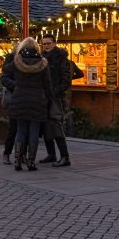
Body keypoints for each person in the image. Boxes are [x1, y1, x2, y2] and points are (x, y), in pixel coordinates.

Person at [5, 39, 52, 171]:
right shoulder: (43, 63)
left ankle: (17, 161)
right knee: (34, 132)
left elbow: (5, 70)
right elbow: (47, 85)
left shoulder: (17, 61)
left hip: (19, 99)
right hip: (37, 100)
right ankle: (31, 161)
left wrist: (12, 54)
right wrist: (49, 100)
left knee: (20, 130)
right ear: (37, 48)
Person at [39, 34, 73, 167]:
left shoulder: (61, 58)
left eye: (48, 43)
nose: (46, 46)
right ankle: (51, 154)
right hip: (44, 97)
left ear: (54, 43)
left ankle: (65, 157)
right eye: (44, 44)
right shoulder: (42, 58)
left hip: (55, 98)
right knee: (45, 126)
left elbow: (66, 80)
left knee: (56, 126)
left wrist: (55, 92)